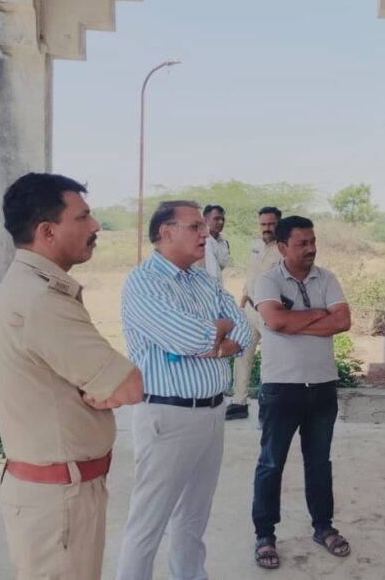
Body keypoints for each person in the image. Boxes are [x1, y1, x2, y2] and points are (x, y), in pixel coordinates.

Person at [0, 172, 144, 580]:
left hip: (59, 493)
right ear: (47, 231)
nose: (96, 226)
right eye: (83, 217)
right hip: (59, 500)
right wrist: (105, 389)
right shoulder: (41, 300)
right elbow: (129, 386)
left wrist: (98, 389)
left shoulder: (30, 286)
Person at [115, 200, 253, 580]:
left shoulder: (204, 280)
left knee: (193, 519)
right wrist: (214, 334)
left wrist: (213, 339)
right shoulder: (144, 282)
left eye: (204, 227)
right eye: (195, 226)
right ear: (166, 232)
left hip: (212, 413)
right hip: (168, 416)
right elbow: (189, 337)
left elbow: (242, 331)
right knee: (147, 526)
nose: (205, 233)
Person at [250, 215, 352, 570]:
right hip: (281, 388)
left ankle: (324, 528)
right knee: (271, 463)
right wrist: (318, 315)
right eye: (302, 244)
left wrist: (296, 322)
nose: (311, 249)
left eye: (313, 242)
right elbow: (275, 321)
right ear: (282, 247)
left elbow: (342, 321)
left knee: (319, 463)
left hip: (322, 386)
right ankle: (265, 535)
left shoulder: (327, 278)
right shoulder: (268, 280)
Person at [226, 206, 282, 421]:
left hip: (270, 312)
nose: (266, 228)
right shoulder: (255, 245)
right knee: (242, 355)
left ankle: (267, 404)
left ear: (279, 224)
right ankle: (239, 402)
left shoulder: (285, 249)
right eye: (263, 224)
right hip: (249, 308)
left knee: (270, 359)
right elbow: (250, 277)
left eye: (271, 224)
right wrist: (241, 308)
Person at [201, 204, 230, 285]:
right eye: (216, 219)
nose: (221, 222)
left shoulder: (224, 243)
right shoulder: (199, 241)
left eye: (222, 219)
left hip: (217, 287)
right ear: (205, 220)